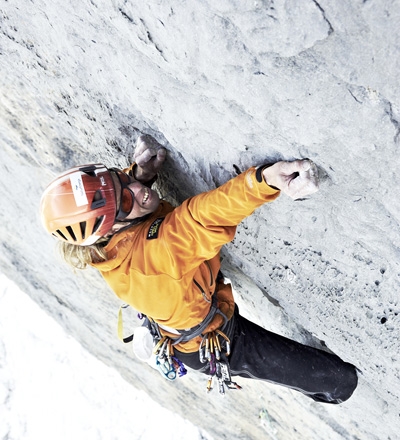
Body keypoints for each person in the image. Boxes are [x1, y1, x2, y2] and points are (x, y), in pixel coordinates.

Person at [40, 134, 358, 402]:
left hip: (187, 300)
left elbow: (127, 198)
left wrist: (140, 175)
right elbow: (202, 217)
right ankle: (333, 392)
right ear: (108, 231)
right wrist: (266, 180)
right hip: (213, 338)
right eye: (125, 202)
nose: (136, 192)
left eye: (119, 179)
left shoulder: (103, 238)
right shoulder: (159, 254)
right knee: (339, 380)